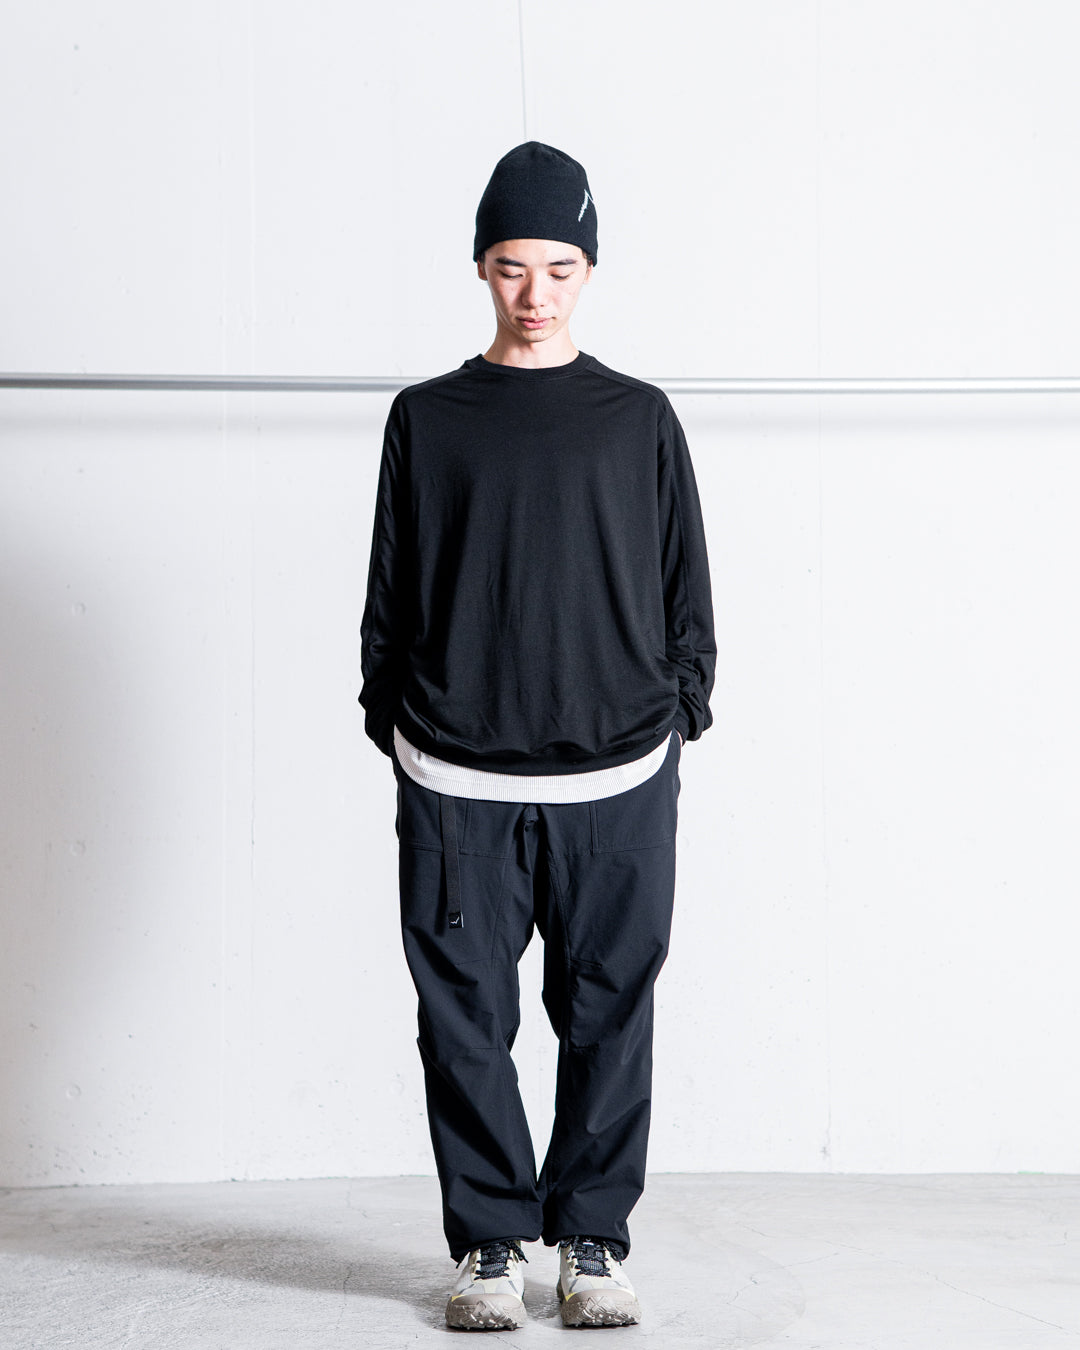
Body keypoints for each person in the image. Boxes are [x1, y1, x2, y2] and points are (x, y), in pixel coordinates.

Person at [359, 141, 715, 1331]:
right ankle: (489, 1246)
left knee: (611, 1013)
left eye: (560, 268)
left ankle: (594, 1243)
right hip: (456, 774)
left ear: (589, 271)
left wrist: (680, 706)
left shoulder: (638, 418)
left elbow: (686, 586)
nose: (537, 292)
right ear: (481, 267)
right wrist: (397, 716)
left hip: (619, 773)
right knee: (464, 1022)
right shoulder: (428, 418)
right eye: (514, 266)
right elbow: (391, 588)